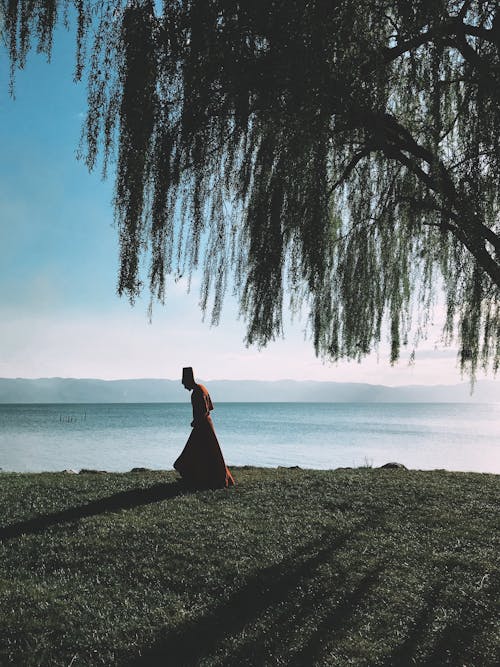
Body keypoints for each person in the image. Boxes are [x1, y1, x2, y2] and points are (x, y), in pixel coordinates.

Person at [174, 367, 235, 489]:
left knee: (194, 452)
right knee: (205, 453)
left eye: (184, 384)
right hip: (205, 425)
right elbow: (209, 408)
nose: (184, 387)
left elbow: (202, 411)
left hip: (202, 426)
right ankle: (200, 479)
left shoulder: (197, 392)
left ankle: (201, 479)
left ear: (188, 380)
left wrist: (195, 422)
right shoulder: (202, 389)